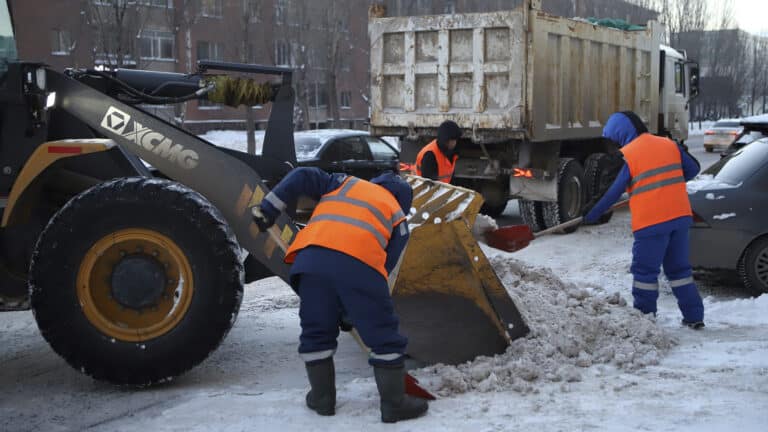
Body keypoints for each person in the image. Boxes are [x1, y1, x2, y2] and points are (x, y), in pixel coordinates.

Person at [252, 167, 427, 423]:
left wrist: (269, 208)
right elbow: (382, 270)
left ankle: (322, 399)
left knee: (316, 331)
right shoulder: (399, 219)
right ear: (403, 202)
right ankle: (394, 403)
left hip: (309, 262)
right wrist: (352, 310)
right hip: (360, 267)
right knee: (384, 337)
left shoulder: (344, 183)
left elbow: (301, 175)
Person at [583, 111, 705, 329]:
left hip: (652, 224)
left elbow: (609, 193)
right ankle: (694, 317)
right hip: (680, 218)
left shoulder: (628, 154)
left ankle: (644, 320)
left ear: (620, 134)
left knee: (645, 273)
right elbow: (693, 168)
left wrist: (589, 215)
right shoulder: (668, 144)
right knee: (680, 271)